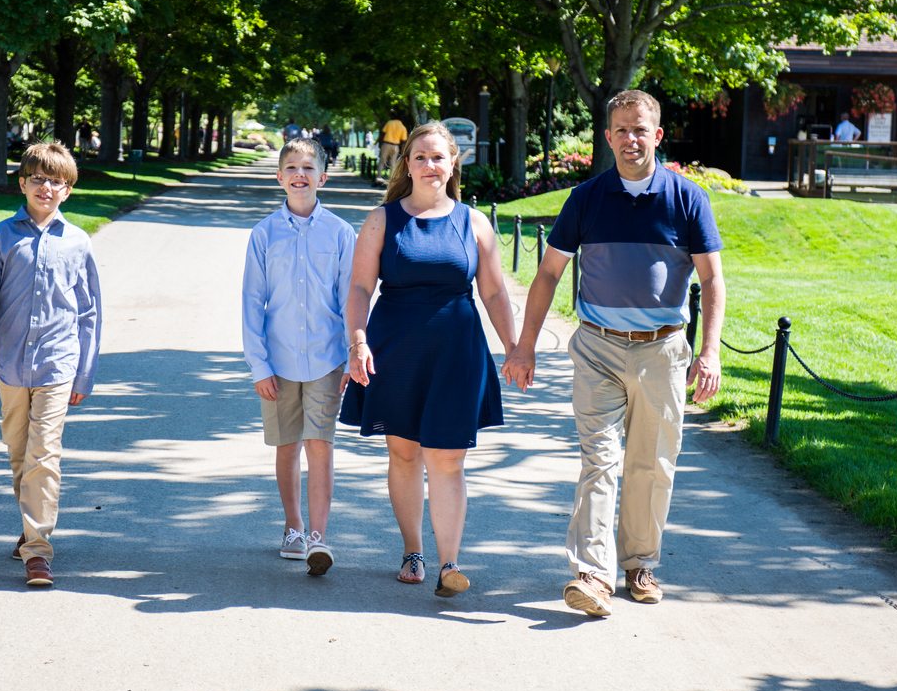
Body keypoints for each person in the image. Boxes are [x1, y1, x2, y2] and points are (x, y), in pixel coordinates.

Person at [506, 90, 724, 616]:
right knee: (599, 462)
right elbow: (548, 274)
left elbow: (713, 279)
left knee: (653, 464)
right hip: (597, 348)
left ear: (657, 135)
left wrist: (710, 352)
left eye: (640, 129)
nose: (631, 139)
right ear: (607, 137)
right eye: (621, 130)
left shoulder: (687, 199)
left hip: (663, 350)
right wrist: (525, 346)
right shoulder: (586, 198)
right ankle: (593, 574)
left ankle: (639, 563)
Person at [341, 121, 520, 597]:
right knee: (404, 454)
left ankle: (449, 564)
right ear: (407, 164)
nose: (429, 165)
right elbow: (359, 288)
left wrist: (515, 348)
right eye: (419, 157)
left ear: (453, 162)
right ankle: (413, 550)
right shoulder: (382, 220)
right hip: (395, 352)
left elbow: (495, 293)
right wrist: (358, 342)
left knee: (448, 457)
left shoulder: (474, 223)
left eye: (438, 157)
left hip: (456, 354)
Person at [0, 143, 102, 588]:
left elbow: (88, 313)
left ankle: (38, 550)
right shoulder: (0, 238)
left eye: (56, 181)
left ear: (68, 190)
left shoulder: (77, 242)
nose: (46, 188)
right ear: (22, 184)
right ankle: (30, 524)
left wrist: (84, 373)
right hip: (9, 366)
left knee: (44, 454)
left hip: (57, 365)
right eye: (38, 179)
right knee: (20, 454)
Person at [242, 138, 357, 575]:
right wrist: (259, 365)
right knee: (287, 445)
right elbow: (252, 302)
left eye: (308, 168)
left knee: (320, 444)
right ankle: (293, 527)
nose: (300, 175)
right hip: (278, 361)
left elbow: (350, 298)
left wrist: (351, 354)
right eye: (291, 167)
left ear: (322, 177)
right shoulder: (264, 234)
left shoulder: (340, 233)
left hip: (327, 358)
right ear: (279, 177)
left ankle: (319, 536)